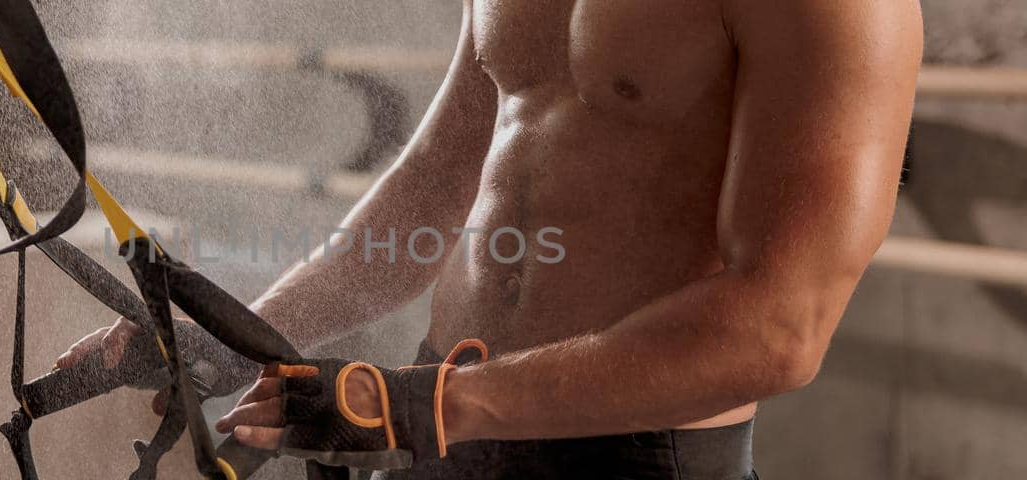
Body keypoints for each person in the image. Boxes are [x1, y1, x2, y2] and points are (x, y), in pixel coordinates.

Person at [57, 0, 922, 477]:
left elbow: (781, 326)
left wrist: (426, 405)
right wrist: (239, 336)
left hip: (631, 460)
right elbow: (434, 186)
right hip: (445, 431)